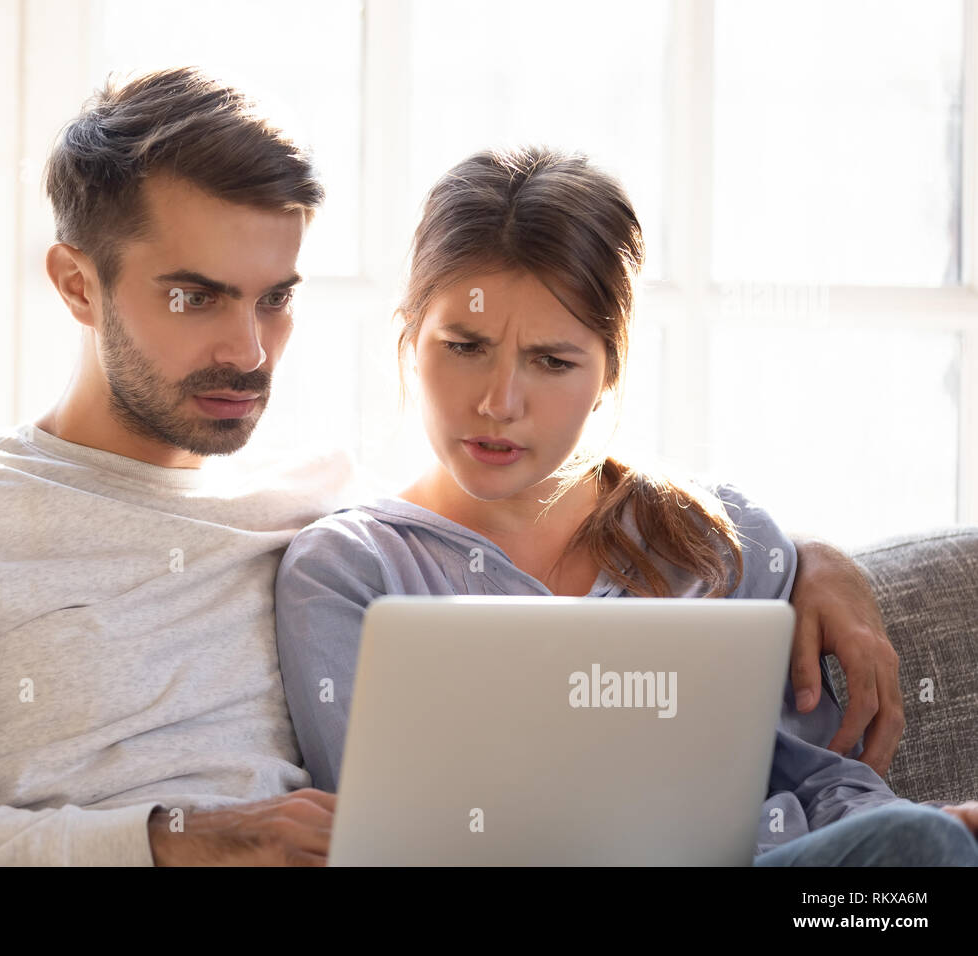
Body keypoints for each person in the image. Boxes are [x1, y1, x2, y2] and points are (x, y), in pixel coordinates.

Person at [0, 68, 910, 868]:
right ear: (74, 283)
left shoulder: (313, 501)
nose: (249, 353)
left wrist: (813, 559)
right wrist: (168, 839)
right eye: (194, 296)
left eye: (276, 298)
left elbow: (558, 517)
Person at [273, 144, 978, 865]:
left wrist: (928, 835)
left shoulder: (719, 543)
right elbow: (377, 838)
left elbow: (827, 787)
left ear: (611, 369)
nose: (498, 402)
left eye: (552, 361)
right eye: (464, 346)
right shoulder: (348, 571)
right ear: (408, 344)